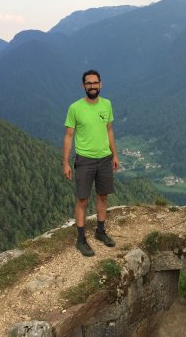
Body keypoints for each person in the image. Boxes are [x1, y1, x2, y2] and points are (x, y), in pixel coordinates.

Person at [63, 69, 119, 257]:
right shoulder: (75, 108)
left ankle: (100, 232)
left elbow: (109, 130)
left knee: (103, 196)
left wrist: (115, 154)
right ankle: (80, 240)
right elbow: (69, 136)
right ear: (83, 86)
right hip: (84, 160)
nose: (92, 86)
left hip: (104, 158)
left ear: (100, 84)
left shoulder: (107, 105)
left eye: (95, 83)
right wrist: (65, 162)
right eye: (89, 83)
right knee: (82, 199)